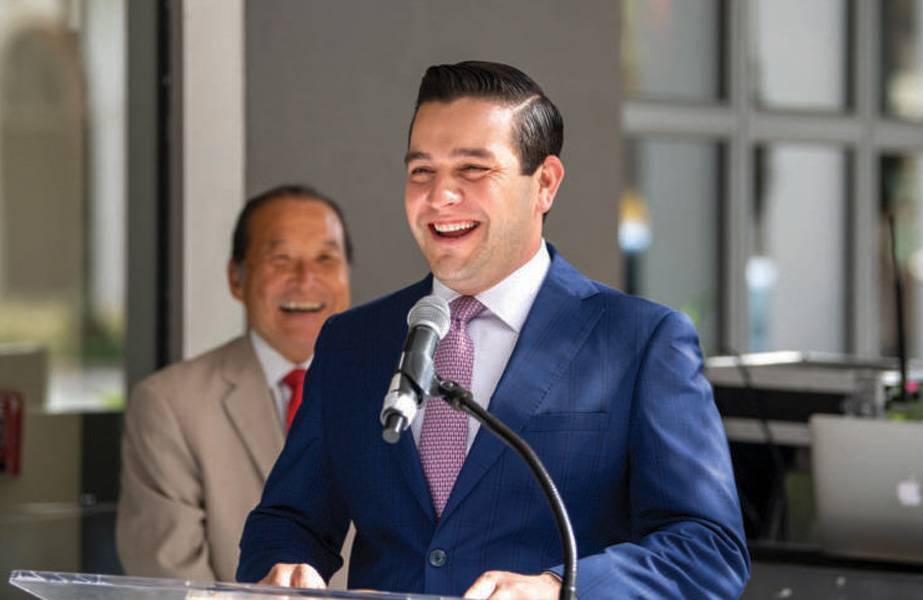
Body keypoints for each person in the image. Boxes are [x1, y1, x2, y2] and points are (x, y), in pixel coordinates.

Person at [237, 62, 749, 598]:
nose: (440, 197)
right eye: (421, 172)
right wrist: (286, 567)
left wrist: (558, 588)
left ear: (545, 183)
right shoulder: (352, 343)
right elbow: (287, 521)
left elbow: (707, 548)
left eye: (473, 170)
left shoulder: (640, 342)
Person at [117, 184, 354, 585]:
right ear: (236, 278)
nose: (306, 279)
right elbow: (169, 582)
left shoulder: (401, 392)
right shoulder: (170, 404)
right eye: (280, 259)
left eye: (325, 258)